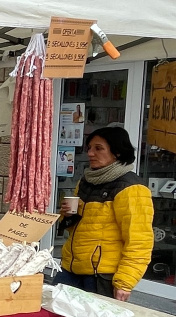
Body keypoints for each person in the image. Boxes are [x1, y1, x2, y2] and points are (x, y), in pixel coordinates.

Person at [57, 127, 153, 301]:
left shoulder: (131, 188)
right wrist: (68, 216)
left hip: (101, 276)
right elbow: (78, 229)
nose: (91, 153)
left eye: (98, 148)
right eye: (89, 148)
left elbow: (139, 240)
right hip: (71, 268)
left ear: (116, 152)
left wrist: (125, 281)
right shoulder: (87, 180)